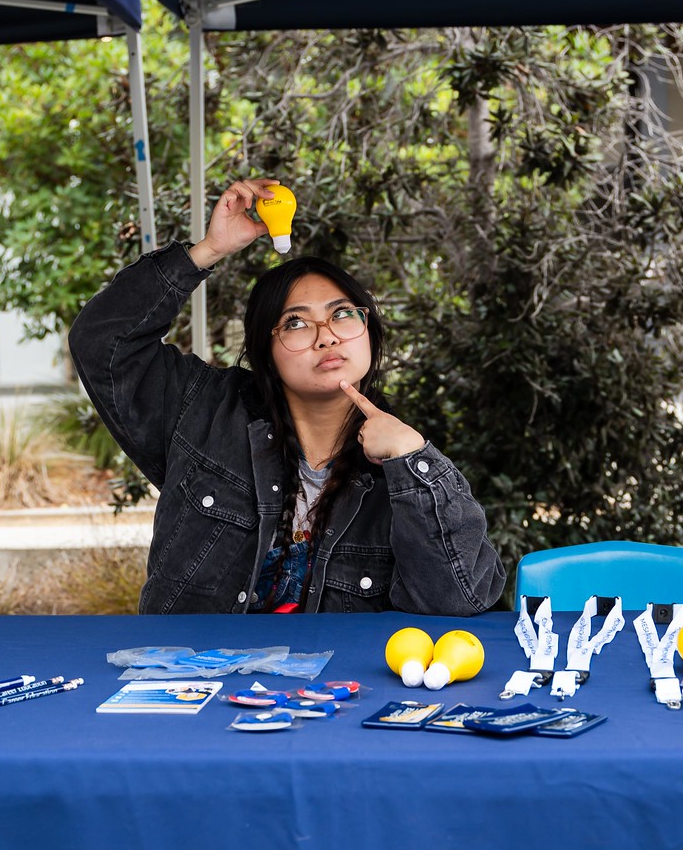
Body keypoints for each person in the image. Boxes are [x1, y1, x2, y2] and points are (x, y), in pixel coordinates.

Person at [68, 177, 506, 616]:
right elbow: (102, 342)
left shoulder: (402, 467)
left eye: (342, 315)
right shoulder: (203, 411)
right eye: (296, 323)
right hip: (195, 677)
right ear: (265, 349)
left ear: (369, 330)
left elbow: (460, 601)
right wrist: (209, 249)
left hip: (334, 685)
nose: (327, 337)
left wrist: (414, 461)